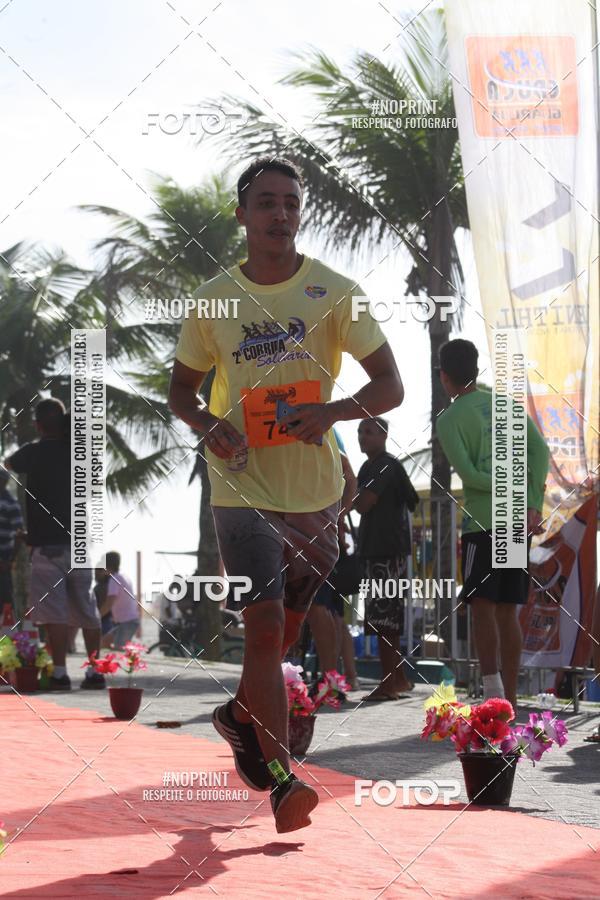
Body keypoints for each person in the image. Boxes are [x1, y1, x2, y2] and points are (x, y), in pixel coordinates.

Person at [168, 156, 404, 833]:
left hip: (317, 492)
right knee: (265, 626)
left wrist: (331, 414)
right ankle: (280, 779)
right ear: (241, 214)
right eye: (266, 202)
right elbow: (181, 391)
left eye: (291, 203)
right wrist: (211, 426)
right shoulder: (214, 299)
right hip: (240, 485)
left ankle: (240, 718)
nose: (280, 214)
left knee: (286, 633)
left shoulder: (335, 291)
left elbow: (390, 386)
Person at [435, 339, 549, 709]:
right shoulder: (506, 405)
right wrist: (530, 500)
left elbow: (467, 474)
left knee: (483, 607)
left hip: (482, 522)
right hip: (515, 519)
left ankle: (493, 695)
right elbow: (540, 452)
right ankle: (510, 699)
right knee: (507, 611)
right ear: (477, 368)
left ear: (444, 377)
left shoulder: (449, 419)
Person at [4, 398, 104, 690]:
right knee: (87, 608)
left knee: (55, 612)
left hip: (47, 546)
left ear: (38, 425)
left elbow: (6, 466)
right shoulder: (81, 454)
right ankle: (95, 672)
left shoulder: (32, 453)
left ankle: (60, 673)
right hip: (81, 544)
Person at [354, 417, 419, 700]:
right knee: (382, 618)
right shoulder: (371, 466)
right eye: (359, 432)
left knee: (385, 620)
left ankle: (389, 682)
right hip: (376, 551)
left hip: (388, 552)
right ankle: (398, 679)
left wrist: (349, 494)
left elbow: (363, 503)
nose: (362, 437)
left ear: (383, 436)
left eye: (368, 432)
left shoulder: (384, 464)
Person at [306, 428, 358, 685]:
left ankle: (333, 678)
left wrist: (335, 516)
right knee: (323, 609)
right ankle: (339, 677)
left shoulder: (323, 421)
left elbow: (349, 476)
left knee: (320, 606)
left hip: (316, 530)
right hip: (297, 526)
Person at [99, 551, 139, 649]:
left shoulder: (114, 579)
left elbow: (109, 603)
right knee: (104, 642)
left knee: (119, 650)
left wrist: (96, 617)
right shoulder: (123, 576)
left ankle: (130, 659)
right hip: (126, 621)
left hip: (127, 622)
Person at [0, 468, 24, 609]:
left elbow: (19, 534)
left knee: (5, 606)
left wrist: (10, 560)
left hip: (2, 562)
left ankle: (9, 631)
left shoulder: (10, 503)